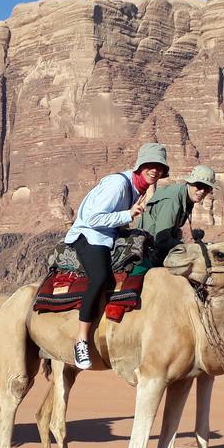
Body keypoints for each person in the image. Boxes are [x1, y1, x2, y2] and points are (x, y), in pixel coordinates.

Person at [63, 142, 169, 369]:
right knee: (101, 277)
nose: (155, 170)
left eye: (159, 167)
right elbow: (92, 219)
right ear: (140, 166)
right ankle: (81, 339)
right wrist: (128, 214)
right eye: (151, 165)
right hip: (90, 236)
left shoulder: (137, 190)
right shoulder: (118, 185)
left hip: (109, 236)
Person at [138, 164, 216, 262]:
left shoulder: (187, 197)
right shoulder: (172, 200)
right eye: (199, 185)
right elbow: (161, 240)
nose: (202, 191)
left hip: (156, 249)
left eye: (207, 188)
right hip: (147, 252)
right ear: (189, 183)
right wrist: (190, 247)